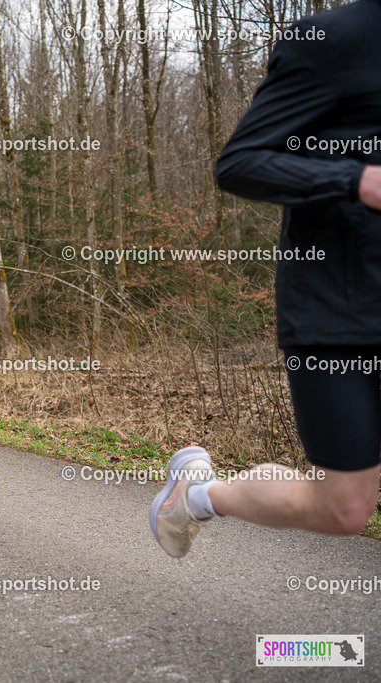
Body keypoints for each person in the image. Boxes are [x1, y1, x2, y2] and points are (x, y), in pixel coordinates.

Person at [150, 0, 381, 558]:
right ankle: (197, 496)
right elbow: (241, 162)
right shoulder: (337, 39)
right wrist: (356, 179)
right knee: (345, 507)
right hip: (341, 313)